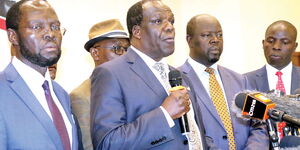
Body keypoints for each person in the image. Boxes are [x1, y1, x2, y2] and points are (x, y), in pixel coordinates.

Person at [90, 0, 208, 149]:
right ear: (137, 31)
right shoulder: (110, 74)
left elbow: (198, 135)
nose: (170, 27)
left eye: (171, 21)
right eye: (158, 21)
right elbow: (108, 143)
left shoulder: (178, 75)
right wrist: (164, 114)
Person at [179, 14, 269, 150]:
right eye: (206, 35)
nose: (215, 40)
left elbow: (259, 124)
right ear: (189, 40)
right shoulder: (178, 82)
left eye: (219, 35)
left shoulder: (240, 80)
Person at [0, 0, 80, 149]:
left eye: (55, 27)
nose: (50, 34)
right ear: (13, 36)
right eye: (37, 27)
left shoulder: (61, 94)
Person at [69, 19, 130, 150]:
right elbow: (89, 146)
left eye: (127, 49)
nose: (124, 55)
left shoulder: (135, 87)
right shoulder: (80, 96)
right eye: (118, 48)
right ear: (95, 53)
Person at [244, 20, 300, 95]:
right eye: (270, 41)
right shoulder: (245, 80)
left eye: (285, 42)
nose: (276, 47)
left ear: (295, 46)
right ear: (263, 44)